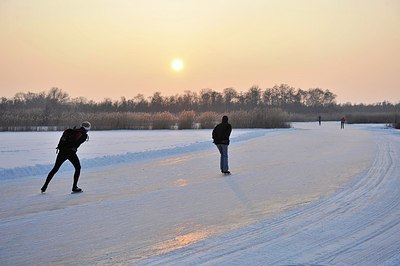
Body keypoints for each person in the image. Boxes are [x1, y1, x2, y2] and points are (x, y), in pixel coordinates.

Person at [41, 121, 91, 193]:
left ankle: (44, 186)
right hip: (71, 153)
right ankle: (74, 187)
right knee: (78, 168)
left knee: (55, 169)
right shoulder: (84, 135)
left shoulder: (71, 131)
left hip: (62, 152)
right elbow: (77, 143)